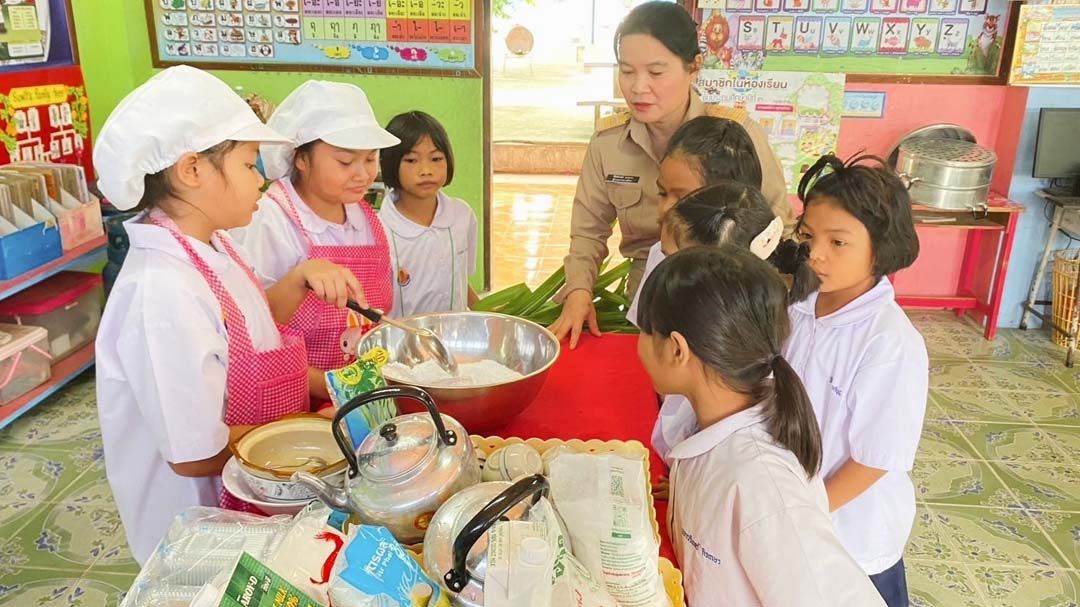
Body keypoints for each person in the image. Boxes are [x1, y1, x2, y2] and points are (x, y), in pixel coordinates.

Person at [93, 67, 348, 563]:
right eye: (250, 163)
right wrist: (315, 442)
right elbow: (194, 452)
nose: (262, 179)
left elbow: (249, 340)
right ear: (192, 170)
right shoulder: (162, 290)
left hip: (244, 506)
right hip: (198, 530)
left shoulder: (216, 246)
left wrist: (333, 384)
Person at [636, 246, 884, 607]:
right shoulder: (712, 427)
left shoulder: (763, 485)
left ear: (677, 349)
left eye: (645, 331)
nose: (637, 343)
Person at [551, 0, 792, 348]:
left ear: (693, 67)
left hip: (723, 306)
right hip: (644, 304)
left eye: (656, 72)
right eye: (627, 71)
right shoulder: (608, 144)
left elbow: (776, 228)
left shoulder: (736, 137)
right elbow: (587, 233)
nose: (637, 87)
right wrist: (578, 292)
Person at [783, 154, 928, 606]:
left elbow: (873, 460)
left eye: (838, 242)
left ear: (880, 250)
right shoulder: (800, 309)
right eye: (808, 236)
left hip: (854, 533)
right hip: (798, 513)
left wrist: (804, 513)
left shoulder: (890, 343)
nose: (815, 254)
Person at [231, 80, 398, 396]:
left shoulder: (367, 219)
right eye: (346, 162)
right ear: (301, 159)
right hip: (292, 397)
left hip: (361, 392)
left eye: (370, 159)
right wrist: (297, 278)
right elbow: (250, 332)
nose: (363, 174)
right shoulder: (270, 221)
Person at [624, 115, 768, 327]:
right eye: (662, 193)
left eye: (683, 199)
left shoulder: (759, 279)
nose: (664, 210)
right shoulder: (660, 254)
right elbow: (648, 332)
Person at [378, 111, 478, 317]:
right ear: (390, 164)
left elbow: (461, 279)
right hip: (402, 343)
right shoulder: (379, 229)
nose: (426, 170)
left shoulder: (462, 215)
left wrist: (487, 315)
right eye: (412, 160)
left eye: (436, 158)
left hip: (453, 339)